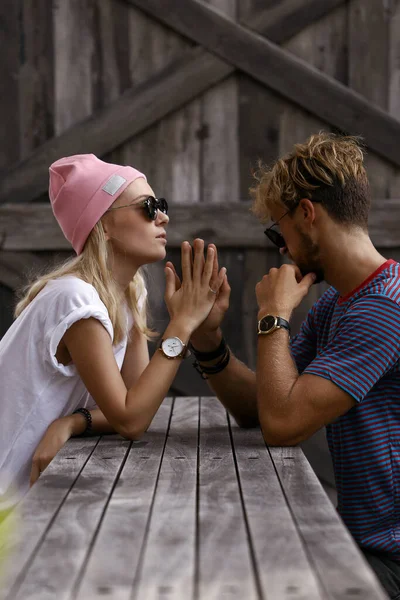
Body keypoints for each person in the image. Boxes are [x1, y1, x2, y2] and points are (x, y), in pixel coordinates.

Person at [173, 132, 400, 599]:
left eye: (279, 232)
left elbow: (282, 424)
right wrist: (207, 339)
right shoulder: (340, 301)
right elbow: (264, 404)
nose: (281, 248)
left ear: (307, 214)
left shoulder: (385, 308)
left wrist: (272, 316)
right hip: (361, 541)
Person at [0, 153, 226, 508]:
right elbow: (131, 419)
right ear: (103, 225)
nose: (163, 216)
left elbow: (139, 403)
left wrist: (74, 423)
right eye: (148, 207)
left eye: (161, 205)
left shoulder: (126, 296)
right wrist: (182, 324)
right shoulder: (75, 299)